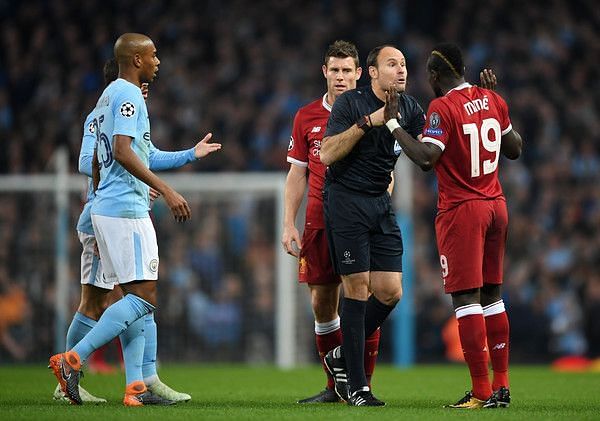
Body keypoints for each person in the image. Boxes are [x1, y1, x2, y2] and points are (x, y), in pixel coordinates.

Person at [49, 33, 220, 406]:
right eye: (154, 56)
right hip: (119, 211)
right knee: (141, 298)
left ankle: (138, 385)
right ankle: (73, 362)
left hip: (112, 207)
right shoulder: (124, 98)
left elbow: (141, 153)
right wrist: (165, 190)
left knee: (117, 298)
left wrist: (191, 153)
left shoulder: (111, 97)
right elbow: (115, 156)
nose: (159, 62)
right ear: (137, 61)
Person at [381, 42, 522, 409]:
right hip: (496, 206)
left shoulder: (442, 106)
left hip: (463, 210)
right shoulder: (492, 98)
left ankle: (481, 392)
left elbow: (428, 159)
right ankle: (502, 386)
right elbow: (515, 149)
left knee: (465, 299)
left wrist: (394, 124)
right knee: (493, 296)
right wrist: (495, 106)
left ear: (434, 76)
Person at [318, 44, 425, 406]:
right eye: (392, 64)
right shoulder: (351, 104)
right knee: (357, 287)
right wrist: (369, 122)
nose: (401, 70)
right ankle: (358, 388)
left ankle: (341, 356)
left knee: (391, 290)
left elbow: (429, 150)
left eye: (404, 64)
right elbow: (326, 154)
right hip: (345, 201)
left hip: (380, 203)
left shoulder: (410, 109)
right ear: (373, 72)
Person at [282, 40, 382, 404]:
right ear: (324, 72)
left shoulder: (376, 112)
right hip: (318, 222)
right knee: (322, 304)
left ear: (359, 73)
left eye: (347, 71)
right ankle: (334, 386)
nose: (340, 77)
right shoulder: (306, 116)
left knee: (363, 297)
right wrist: (288, 223)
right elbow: (297, 174)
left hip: (358, 219)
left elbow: (388, 172)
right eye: (334, 70)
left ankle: (362, 385)